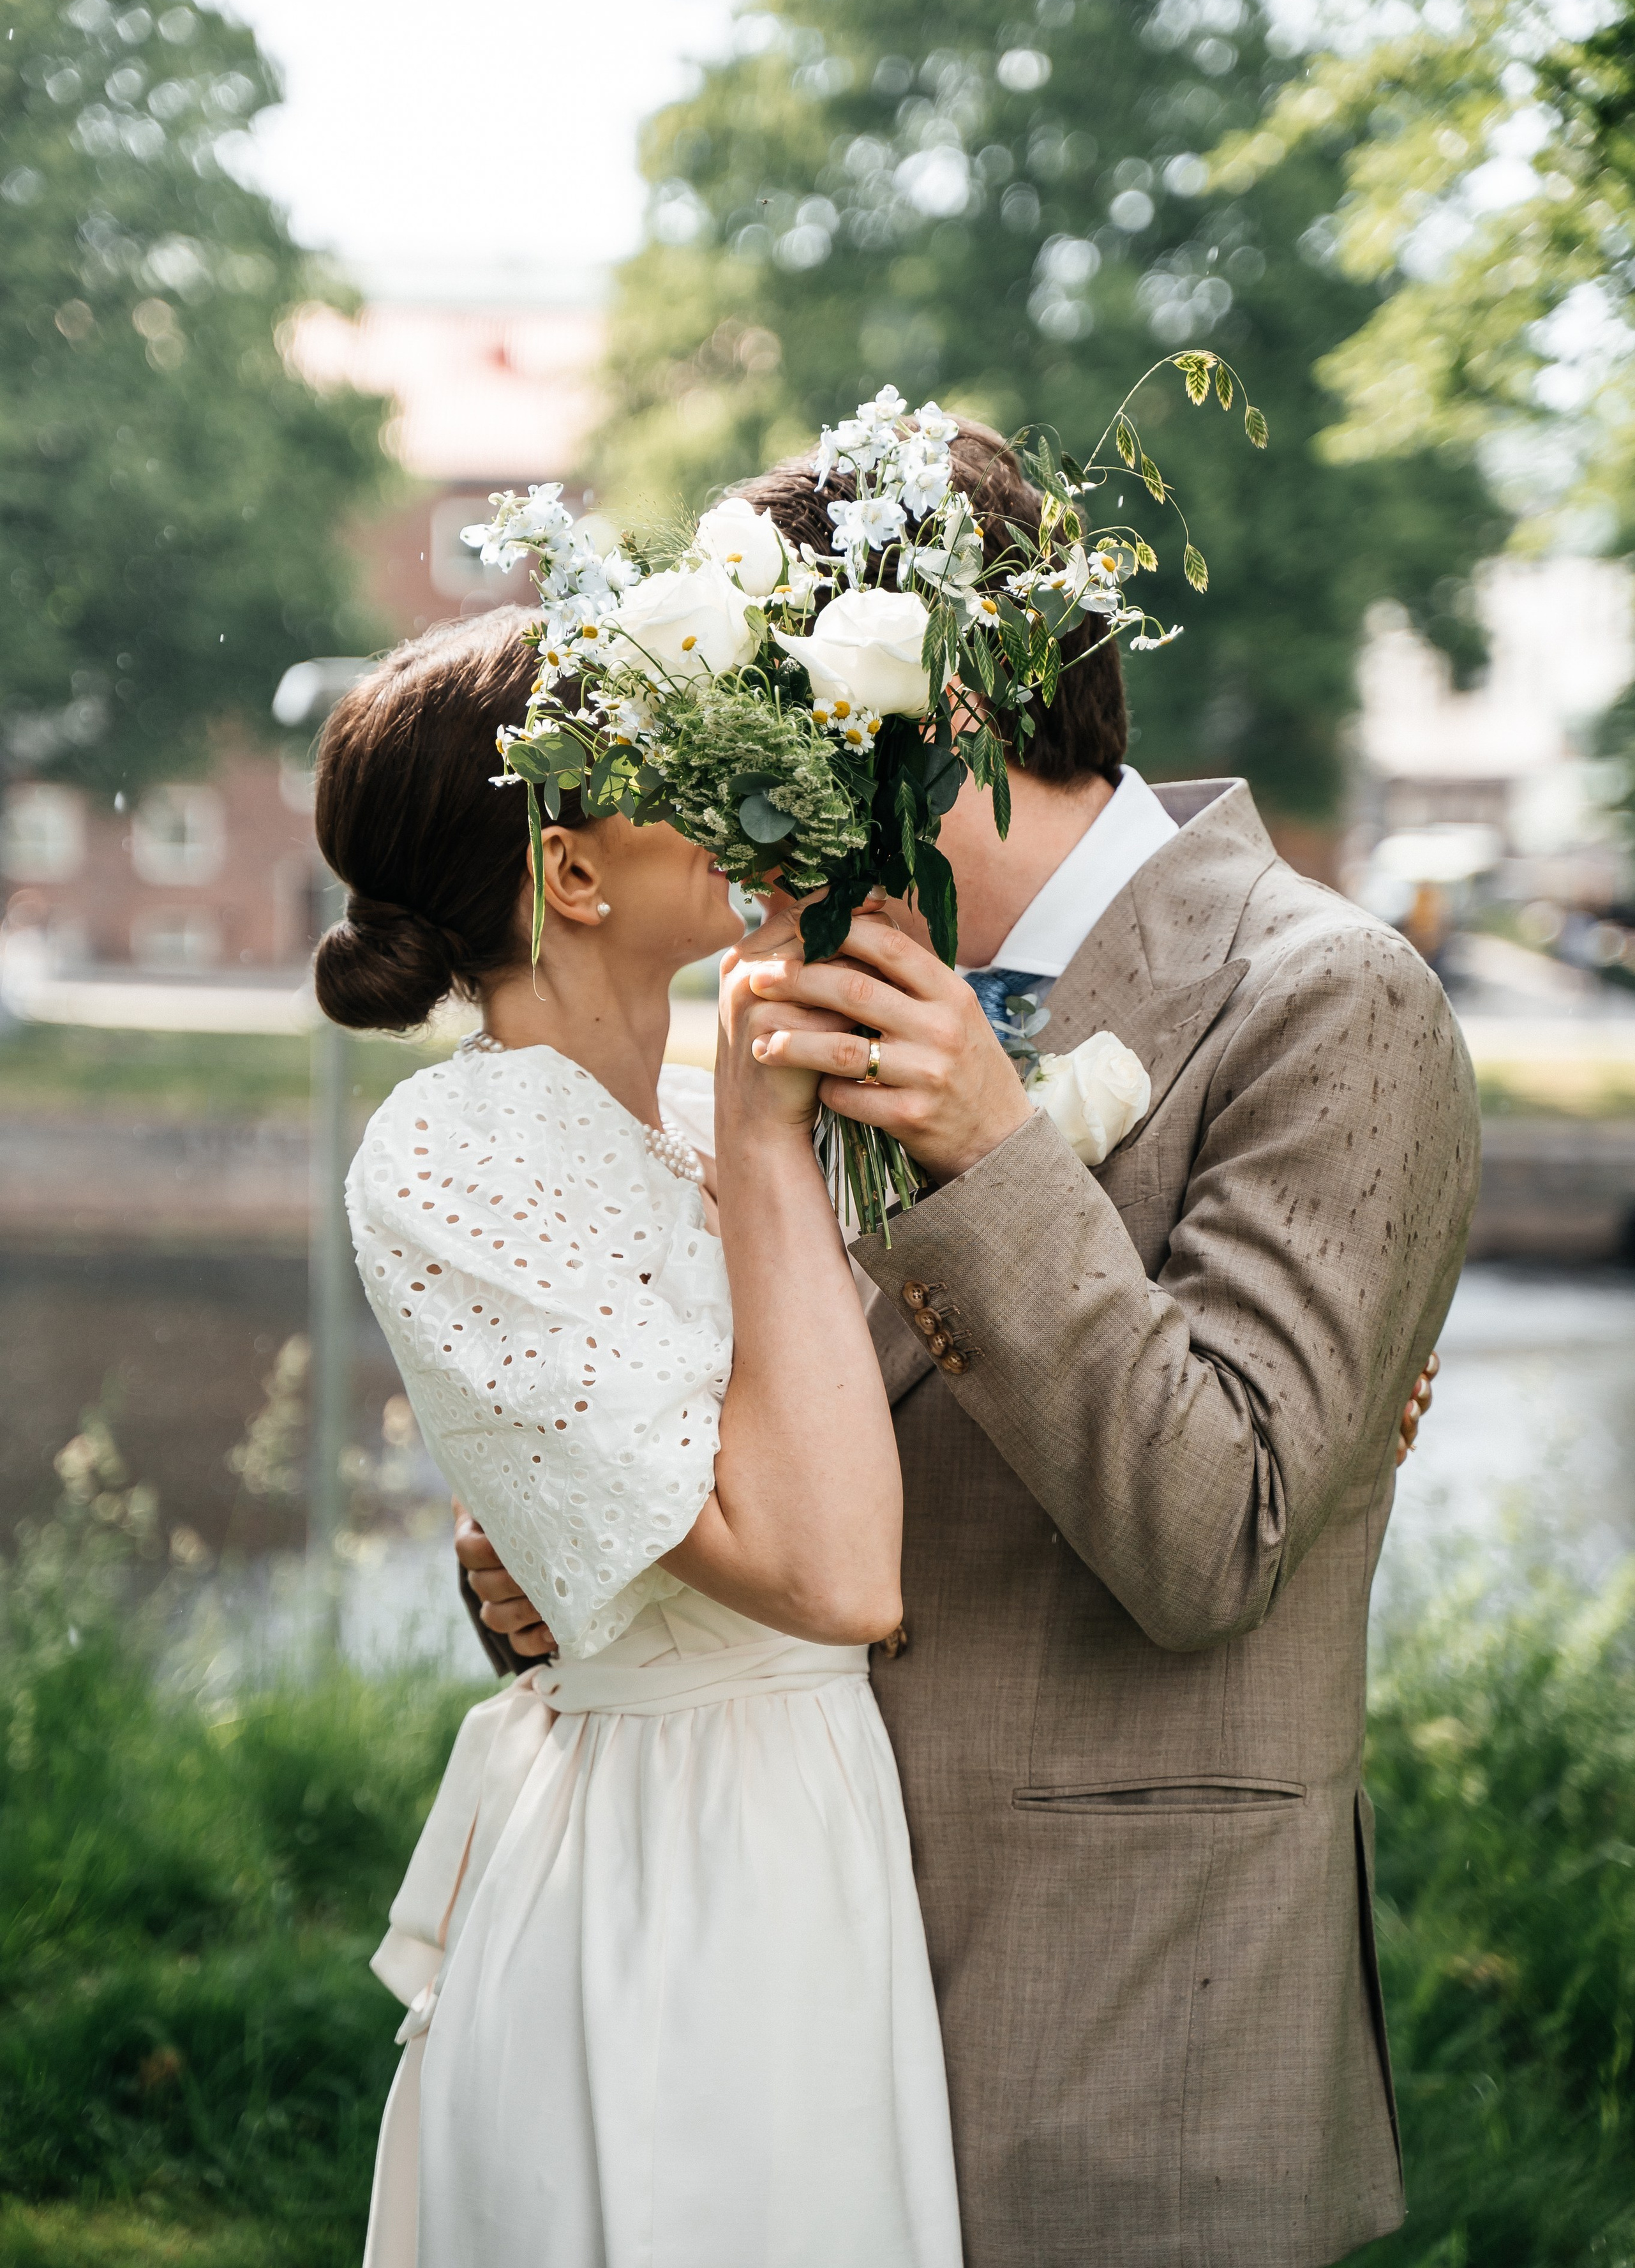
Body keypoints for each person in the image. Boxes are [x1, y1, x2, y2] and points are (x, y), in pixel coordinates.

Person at [456, 421, 1477, 2268]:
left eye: (732, 731)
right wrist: (574, 1526)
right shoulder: (794, 996)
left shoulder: (1330, 1000)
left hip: (1112, 2047)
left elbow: (1214, 1533)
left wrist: (997, 1154)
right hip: (767, 2022)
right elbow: (750, 1437)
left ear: (925, 708)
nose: (694, 796)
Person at [314, 613, 964, 2268]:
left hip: (814, 1831)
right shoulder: (453, 1151)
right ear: (575, 876)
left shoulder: (674, 1125)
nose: (726, 787)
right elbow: (826, 1568)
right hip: (674, 1869)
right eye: (671, 763)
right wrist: (763, 1129)